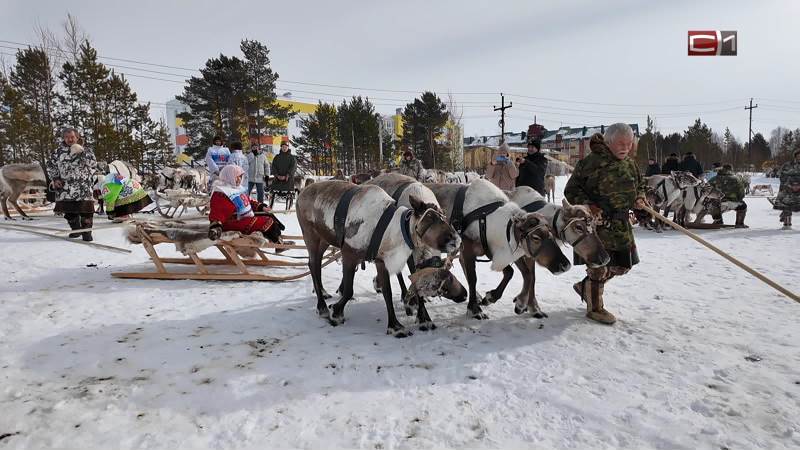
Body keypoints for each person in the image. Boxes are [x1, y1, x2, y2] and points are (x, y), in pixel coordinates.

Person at [564, 123, 647, 325]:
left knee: (623, 265)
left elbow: (640, 184)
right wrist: (588, 206)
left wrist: (640, 198)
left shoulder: (630, 164)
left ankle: (586, 287)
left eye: (629, 144)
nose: (625, 148)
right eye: (620, 143)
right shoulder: (590, 163)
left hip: (621, 223)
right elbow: (571, 190)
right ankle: (595, 308)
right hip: (598, 224)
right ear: (608, 142)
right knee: (598, 266)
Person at [208, 165, 284, 244]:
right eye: (236, 177)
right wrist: (216, 226)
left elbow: (248, 202)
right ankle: (277, 242)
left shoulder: (237, 188)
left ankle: (277, 238)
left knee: (268, 215)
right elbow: (218, 212)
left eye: (240, 177)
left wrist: (261, 207)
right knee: (267, 221)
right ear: (228, 176)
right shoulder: (222, 192)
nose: (239, 179)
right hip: (233, 222)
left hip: (244, 217)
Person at [46, 128, 98, 241]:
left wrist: (82, 153)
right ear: (63, 138)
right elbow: (51, 166)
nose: (69, 139)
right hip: (65, 188)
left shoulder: (87, 150)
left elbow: (94, 165)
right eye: (67, 137)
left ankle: (86, 233)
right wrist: (55, 178)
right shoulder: (57, 152)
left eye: (72, 137)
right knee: (69, 212)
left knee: (86, 212)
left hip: (83, 187)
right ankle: (76, 229)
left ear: (77, 137)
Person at [708, 164, 748, 228]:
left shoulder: (713, 179)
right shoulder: (737, 179)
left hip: (717, 204)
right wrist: (738, 199)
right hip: (734, 203)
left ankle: (718, 220)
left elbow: (707, 191)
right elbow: (742, 193)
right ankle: (739, 222)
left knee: (712, 204)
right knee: (743, 207)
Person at [774, 149, 800, 229]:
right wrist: (790, 185)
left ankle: (784, 215)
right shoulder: (787, 165)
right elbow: (781, 176)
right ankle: (787, 224)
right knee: (787, 204)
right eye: (798, 156)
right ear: (795, 156)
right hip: (788, 189)